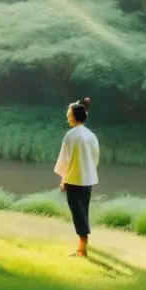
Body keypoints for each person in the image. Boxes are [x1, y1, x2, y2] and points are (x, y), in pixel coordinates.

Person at [54, 98, 99, 258]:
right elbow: (95, 158)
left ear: (74, 116)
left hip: (73, 180)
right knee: (83, 211)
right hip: (87, 179)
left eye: (69, 114)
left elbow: (65, 160)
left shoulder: (71, 135)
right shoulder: (91, 135)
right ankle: (83, 245)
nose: (67, 117)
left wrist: (63, 180)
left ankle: (82, 247)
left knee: (77, 213)